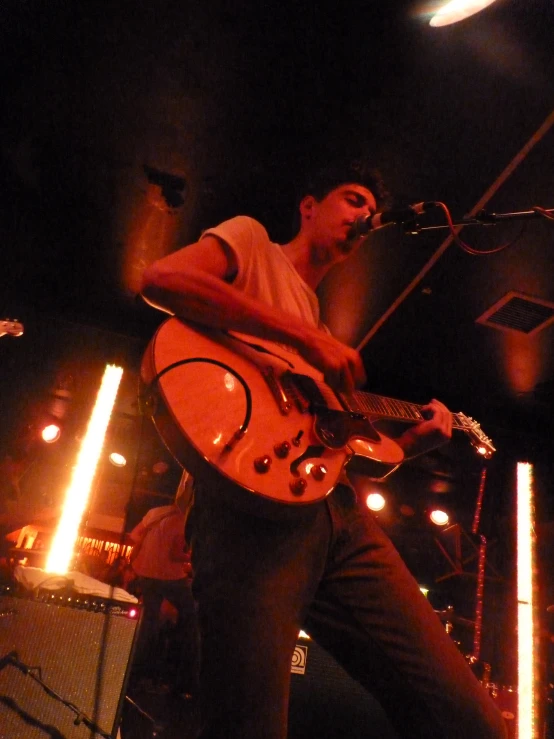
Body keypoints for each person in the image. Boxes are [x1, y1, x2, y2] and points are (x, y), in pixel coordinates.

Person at [140, 162, 507, 739]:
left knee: (470, 719)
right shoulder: (254, 244)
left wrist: (411, 444)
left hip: (336, 518)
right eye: (353, 199)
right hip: (248, 524)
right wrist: (304, 336)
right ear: (309, 206)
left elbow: (331, 449)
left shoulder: (319, 321)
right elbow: (162, 279)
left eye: (370, 210)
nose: (364, 215)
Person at [129, 492, 199, 698]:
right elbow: (174, 555)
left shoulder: (155, 513)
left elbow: (134, 535)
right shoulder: (183, 520)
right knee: (191, 617)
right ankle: (184, 676)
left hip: (146, 573)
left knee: (149, 622)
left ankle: (136, 674)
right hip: (168, 576)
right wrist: (193, 557)